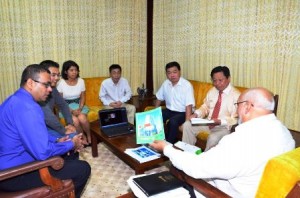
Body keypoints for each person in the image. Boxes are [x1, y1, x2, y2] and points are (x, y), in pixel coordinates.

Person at [150, 87, 295, 197]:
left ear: (247, 106)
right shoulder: (285, 134)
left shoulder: (241, 142)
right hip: (256, 188)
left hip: (222, 193)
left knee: (174, 173)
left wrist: (167, 148)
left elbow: (197, 168)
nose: (237, 110)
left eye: (238, 104)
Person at [0, 64, 91, 198]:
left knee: (70, 155)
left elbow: (33, 134)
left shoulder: (16, 100)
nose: (49, 89)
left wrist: (57, 140)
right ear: (30, 83)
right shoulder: (29, 107)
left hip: (13, 163)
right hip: (14, 174)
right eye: (46, 85)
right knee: (83, 168)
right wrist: (71, 143)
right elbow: (42, 153)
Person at [182, 66, 240, 151]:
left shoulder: (236, 95)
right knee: (187, 124)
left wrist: (220, 121)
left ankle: (205, 162)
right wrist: (196, 114)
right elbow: (205, 106)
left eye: (220, 80)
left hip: (224, 127)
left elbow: (236, 119)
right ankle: (187, 154)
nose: (217, 83)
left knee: (213, 138)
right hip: (209, 123)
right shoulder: (212, 91)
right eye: (214, 80)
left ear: (228, 78)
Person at [155, 61, 195, 143]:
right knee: (154, 117)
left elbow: (188, 106)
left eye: (174, 72)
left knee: (172, 121)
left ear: (179, 72)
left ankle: (168, 145)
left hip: (182, 112)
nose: (172, 75)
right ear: (166, 74)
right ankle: (155, 141)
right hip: (169, 110)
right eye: (169, 73)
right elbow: (159, 98)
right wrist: (155, 113)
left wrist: (187, 123)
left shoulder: (186, 85)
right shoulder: (166, 83)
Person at [39, 60, 76, 138]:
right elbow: (48, 117)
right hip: (40, 130)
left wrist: (69, 123)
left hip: (49, 126)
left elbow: (63, 105)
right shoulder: (38, 91)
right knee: (71, 137)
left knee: (73, 134)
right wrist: (64, 130)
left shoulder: (53, 88)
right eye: (53, 75)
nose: (57, 78)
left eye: (58, 75)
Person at [57, 60, 91, 144]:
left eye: (76, 70)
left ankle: (89, 135)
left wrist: (80, 108)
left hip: (78, 105)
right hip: (65, 107)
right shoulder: (61, 83)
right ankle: (82, 137)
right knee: (75, 120)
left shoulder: (81, 81)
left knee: (82, 118)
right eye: (71, 70)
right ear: (65, 71)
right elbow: (61, 101)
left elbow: (83, 97)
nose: (74, 72)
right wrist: (71, 111)